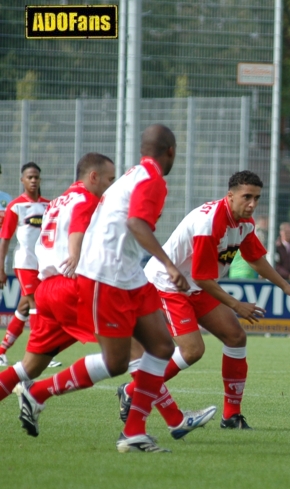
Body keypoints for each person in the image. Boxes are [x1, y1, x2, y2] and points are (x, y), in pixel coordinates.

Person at [15, 124, 204, 453]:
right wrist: (170, 266)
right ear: (171, 151)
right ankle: (38, 392)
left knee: (160, 348)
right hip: (106, 274)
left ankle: (134, 432)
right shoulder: (152, 180)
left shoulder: (134, 173)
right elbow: (135, 223)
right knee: (117, 362)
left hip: (128, 272)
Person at [115, 171, 290, 430]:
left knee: (235, 337)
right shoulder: (210, 223)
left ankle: (231, 416)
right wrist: (236, 304)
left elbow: (255, 258)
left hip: (196, 285)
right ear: (230, 196)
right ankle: (133, 389)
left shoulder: (244, 223)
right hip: (168, 284)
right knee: (192, 350)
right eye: (247, 197)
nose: (252, 204)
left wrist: (286, 286)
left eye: (257, 198)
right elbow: (202, 275)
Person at [0, 154, 119, 405]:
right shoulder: (87, 199)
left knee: (29, 367)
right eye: (110, 180)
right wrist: (75, 256)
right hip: (71, 285)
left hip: (48, 288)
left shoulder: (55, 202)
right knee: (135, 351)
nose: (112, 185)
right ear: (93, 177)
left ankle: (32, 389)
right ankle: (156, 422)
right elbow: (77, 228)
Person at [0, 162, 49, 366]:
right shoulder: (16, 206)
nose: (33, 180)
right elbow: (5, 238)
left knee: (23, 307)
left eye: (36, 177)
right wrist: (1, 267)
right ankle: (39, 352)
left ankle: (2, 350)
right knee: (37, 304)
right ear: (22, 180)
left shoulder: (49, 205)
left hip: (43, 265)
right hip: (25, 263)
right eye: (29, 177)